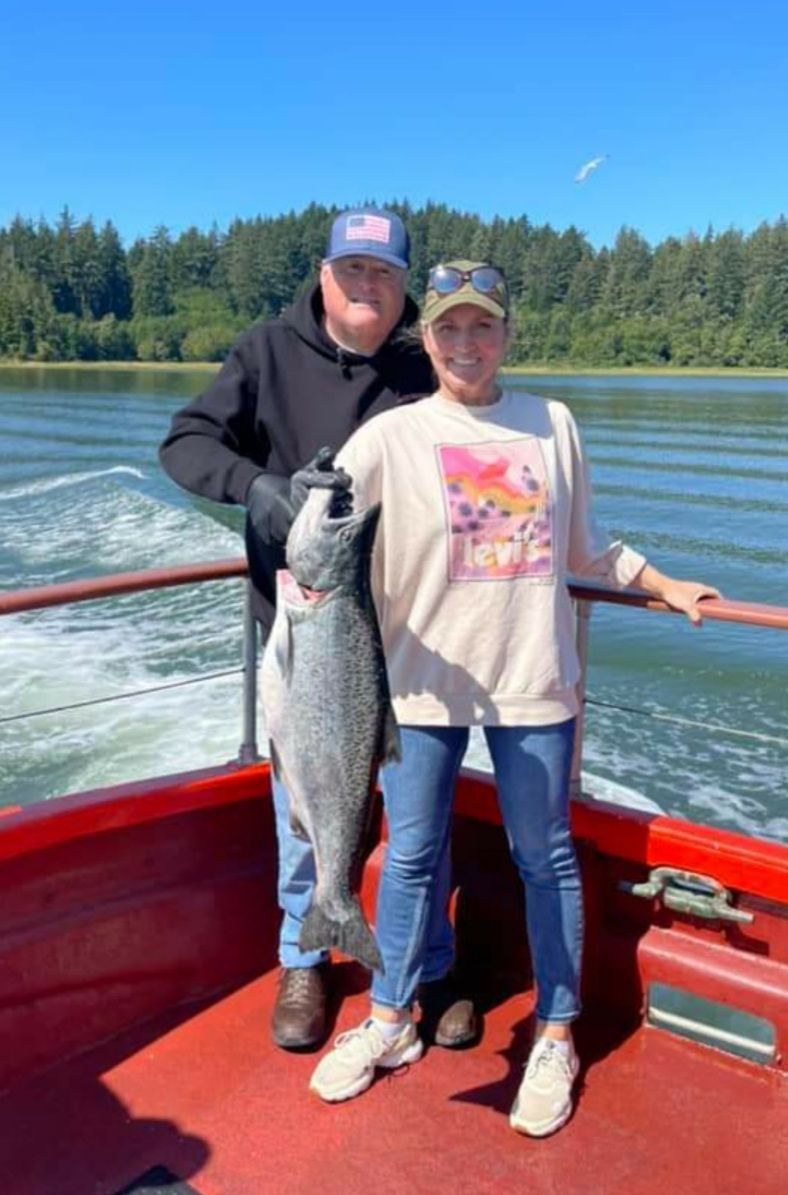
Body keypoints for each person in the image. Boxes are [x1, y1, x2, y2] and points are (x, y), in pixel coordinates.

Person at [306, 261, 720, 1134]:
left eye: (482, 326)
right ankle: (390, 1017)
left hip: (532, 679)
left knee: (547, 858)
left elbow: (587, 547)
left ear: (506, 335)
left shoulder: (551, 423)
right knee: (410, 855)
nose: (466, 344)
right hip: (421, 685)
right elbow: (320, 526)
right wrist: (290, 502)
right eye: (449, 328)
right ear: (426, 339)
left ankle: (556, 1032)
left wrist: (667, 584)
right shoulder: (388, 436)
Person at [159, 212, 476, 1053]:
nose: (368, 285)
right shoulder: (265, 352)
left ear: (403, 289)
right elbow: (184, 443)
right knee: (301, 805)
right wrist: (256, 487)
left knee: (421, 819)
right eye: (354, 269)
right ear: (324, 275)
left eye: (385, 273)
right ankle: (304, 956)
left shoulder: (424, 366)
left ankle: (430, 962)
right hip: (305, 633)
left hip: (417, 636)